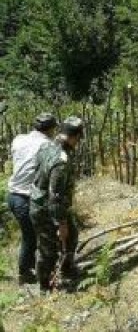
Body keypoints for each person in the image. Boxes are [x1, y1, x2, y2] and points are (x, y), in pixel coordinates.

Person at [29, 116, 84, 292]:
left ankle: (67, 268)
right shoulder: (61, 160)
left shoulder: (46, 146)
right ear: (74, 137)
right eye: (78, 138)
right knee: (48, 249)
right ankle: (45, 286)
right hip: (46, 208)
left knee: (72, 236)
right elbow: (56, 195)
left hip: (50, 204)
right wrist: (61, 224)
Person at [7, 113, 58, 285]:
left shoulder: (18, 139)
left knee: (30, 234)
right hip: (27, 197)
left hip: (13, 196)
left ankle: (34, 269)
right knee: (33, 236)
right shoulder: (47, 145)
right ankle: (26, 273)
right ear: (51, 129)